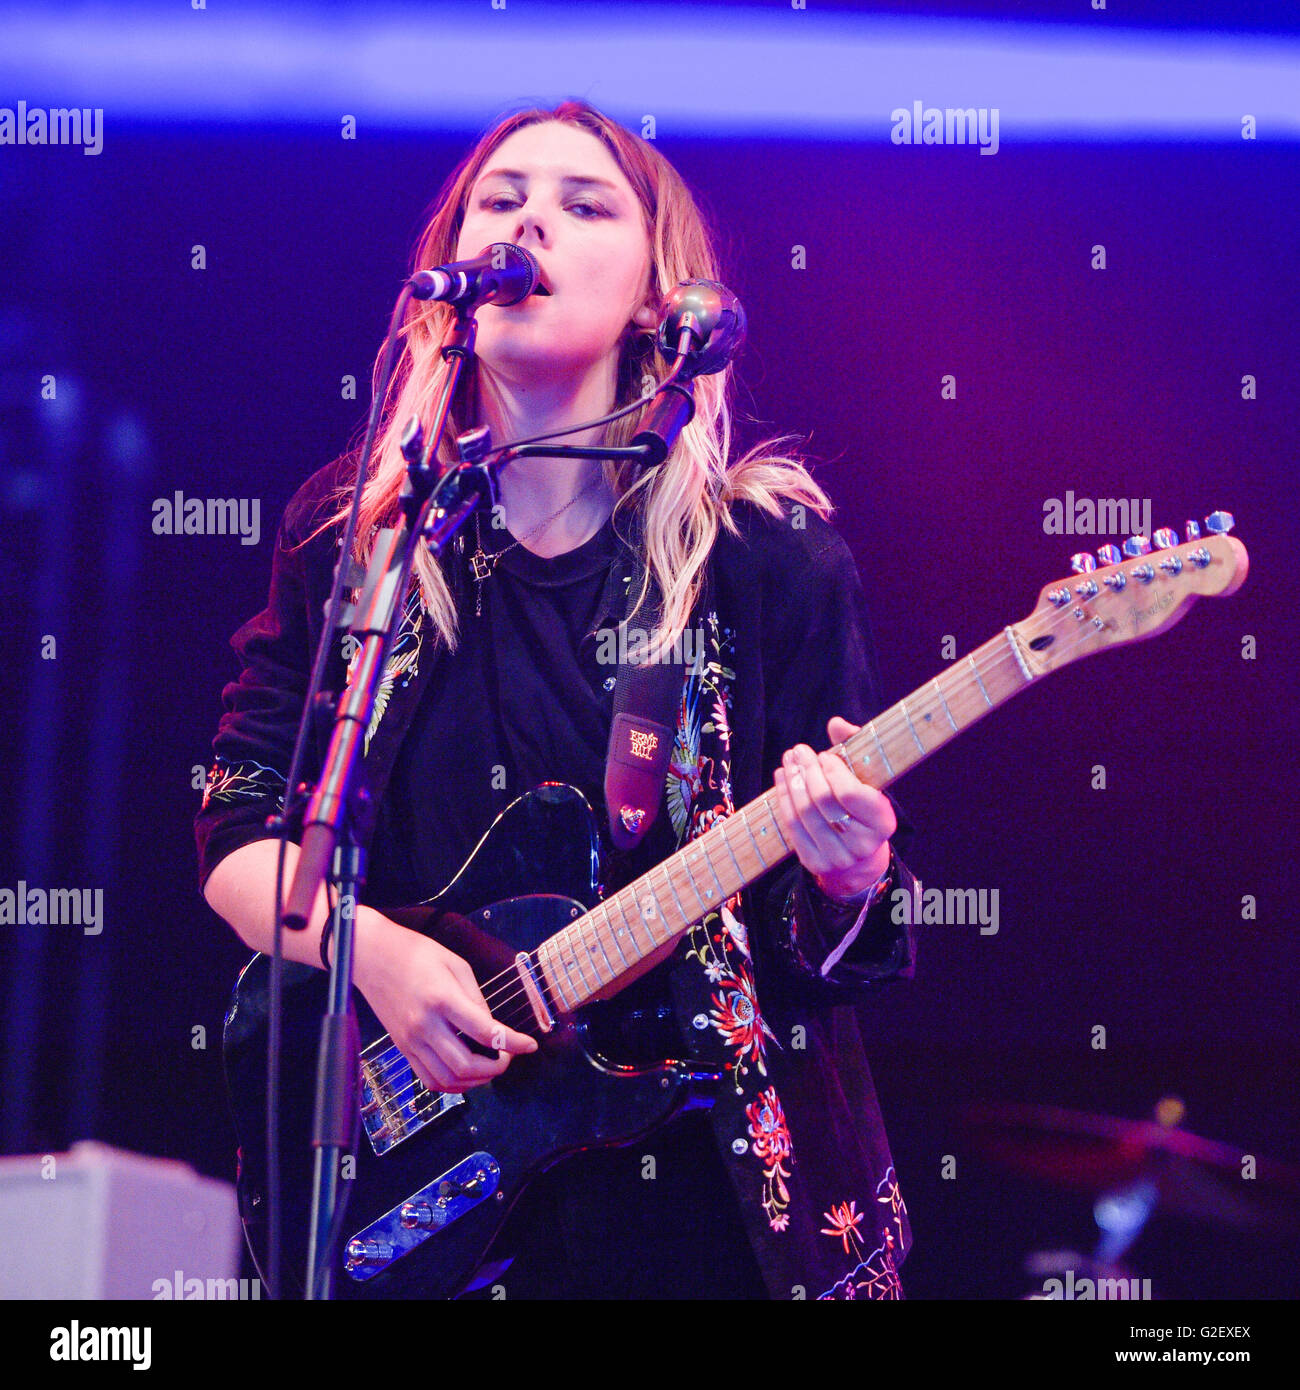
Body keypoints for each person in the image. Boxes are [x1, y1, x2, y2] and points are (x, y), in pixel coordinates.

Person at [197, 100, 920, 1300]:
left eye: (587, 205)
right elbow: (238, 822)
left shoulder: (762, 553)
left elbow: (825, 955)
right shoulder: (363, 537)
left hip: (707, 1216)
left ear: (655, 295)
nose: (531, 217)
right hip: (432, 1204)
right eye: (501, 197)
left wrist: (849, 875)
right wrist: (370, 952)